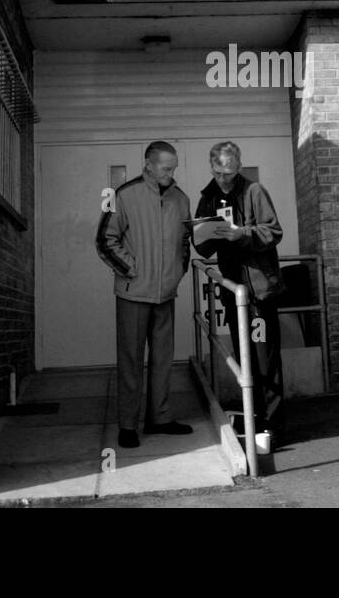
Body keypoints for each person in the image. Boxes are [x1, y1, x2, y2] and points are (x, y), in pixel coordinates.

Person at [95, 141, 194, 449]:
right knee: (130, 361)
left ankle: (160, 419)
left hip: (166, 294)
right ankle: (128, 425)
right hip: (133, 294)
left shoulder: (181, 199)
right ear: (149, 165)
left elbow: (184, 242)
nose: (171, 173)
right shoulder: (121, 195)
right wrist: (132, 269)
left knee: (163, 360)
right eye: (166, 168)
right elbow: (104, 240)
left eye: (174, 167)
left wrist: (178, 271)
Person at [192, 141, 286, 439]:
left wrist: (241, 234)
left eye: (230, 174)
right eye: (219, 173)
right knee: (244, 356)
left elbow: (273, 231)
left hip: (258, 292)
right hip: (234, 290)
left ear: (239, 168)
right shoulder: (208, 197)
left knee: (263, 358)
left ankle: (271, 425)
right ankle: (255, 418)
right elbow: (202, 246)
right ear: (212, 168)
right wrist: (204, 235)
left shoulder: (254, 191)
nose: (224, 179)